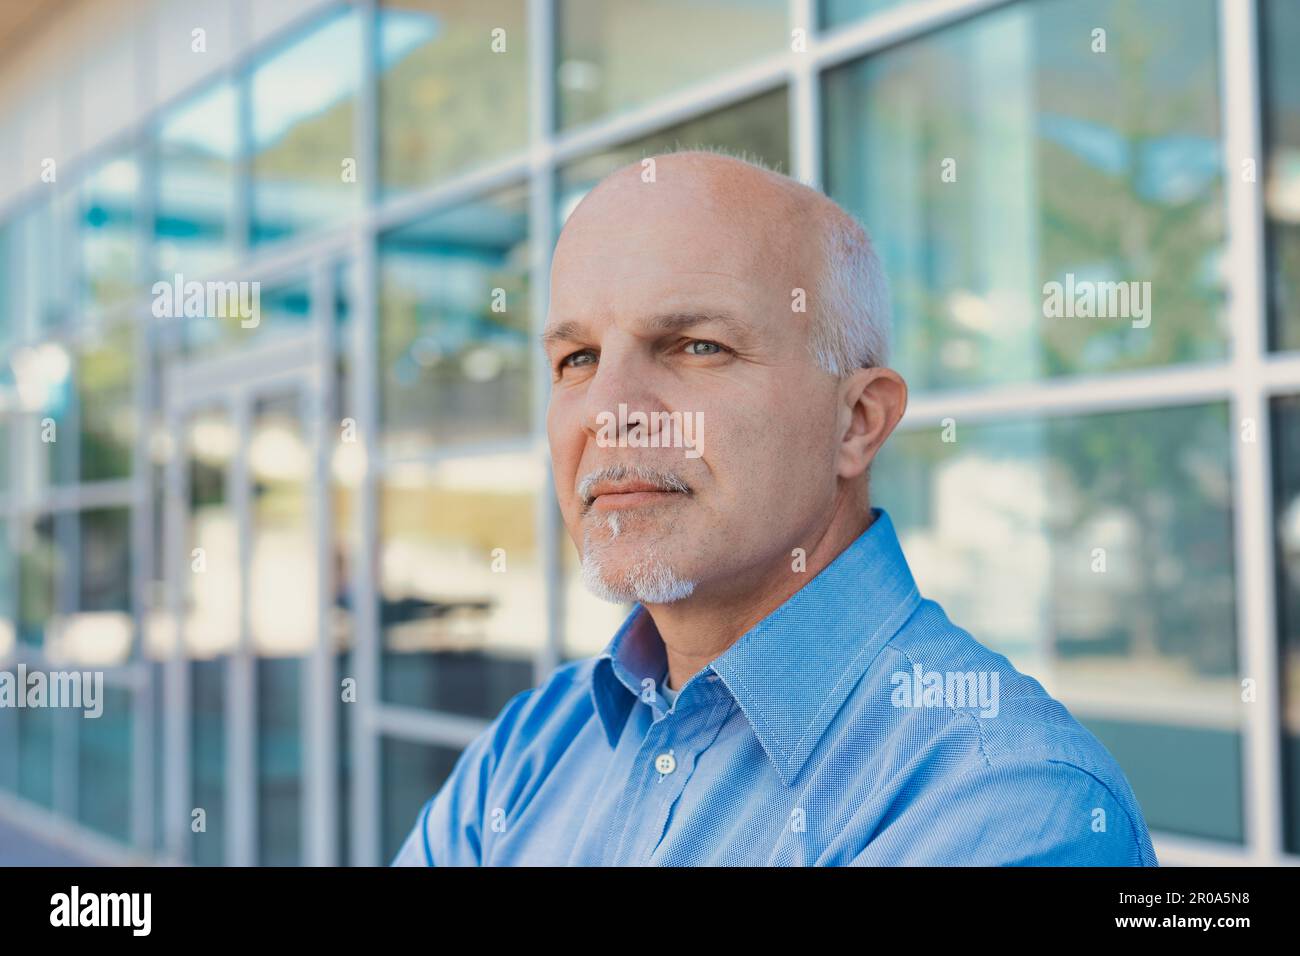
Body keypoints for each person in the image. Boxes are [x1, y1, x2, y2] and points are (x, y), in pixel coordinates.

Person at [392, 147, 1157, 866]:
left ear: (856, 422)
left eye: (696, 346)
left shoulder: (1006, 801)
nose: (610, 409)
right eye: (578, 359)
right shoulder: (527, 751)